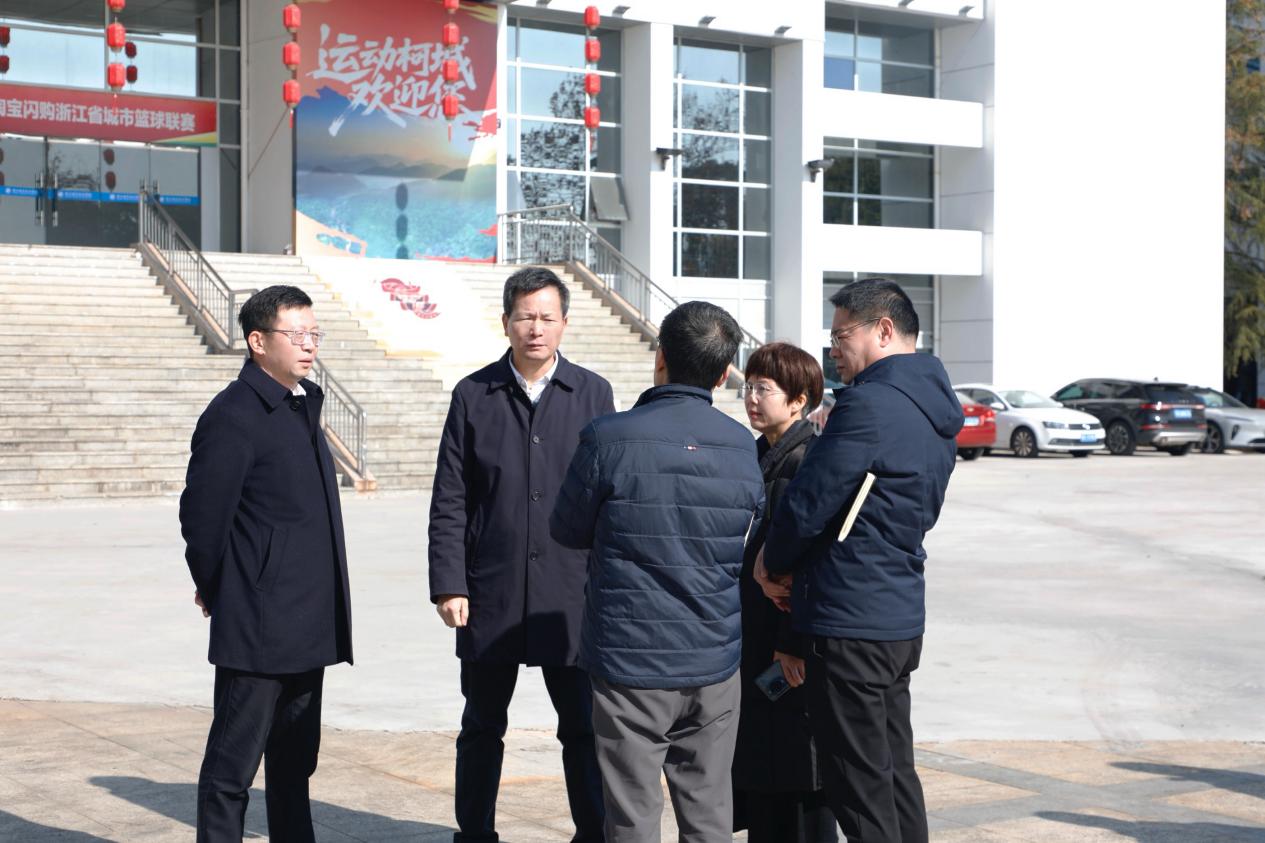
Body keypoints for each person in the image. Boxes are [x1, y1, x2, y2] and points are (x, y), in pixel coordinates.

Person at [550, 300, 765, 843]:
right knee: (710, 812)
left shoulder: (608, 438)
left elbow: (567, 529)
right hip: (713, 657)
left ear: (660, 356)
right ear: (723, 373)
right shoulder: (743, 445)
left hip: (629, 658)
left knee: (631, 815)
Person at [758, 278, 963, 843]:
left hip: (849, 617)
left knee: (858, 784)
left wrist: (772, 561)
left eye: (841, 335)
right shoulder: (936, 408)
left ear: (884, 330)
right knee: (894, 775)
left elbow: (811, 500)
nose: (833, 349)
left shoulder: (870, 403)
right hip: (897, 613)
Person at [428, 266, 615, 843]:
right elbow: (451, 496)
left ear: (565, 323)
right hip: (493, 589)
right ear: (506, 322)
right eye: (525, 317)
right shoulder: (473, 394)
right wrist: (449, 583)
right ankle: (474, 834)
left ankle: (593, 834)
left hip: (571, 593)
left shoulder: (593, 393)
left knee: (583, 728)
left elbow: (608, 495)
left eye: (547, 318)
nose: (536, 328)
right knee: (482, 726)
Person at [179, 285, 353, 842]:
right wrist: (221, 587)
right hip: (257, 625)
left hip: (308, 622)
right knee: (231, 768)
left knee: (294, 764)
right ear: (257, 341)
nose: (309, 345)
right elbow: (203, 518)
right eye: (295, 334)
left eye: (314, 333)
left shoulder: (302, 404)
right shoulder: (234, 415)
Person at [731, 342, 837, 843]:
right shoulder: (760, 455)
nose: (752, 398)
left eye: (765, 389)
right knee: (765, 766)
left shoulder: (805, 462)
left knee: (796, 770)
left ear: (799, 401)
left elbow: (812, 562)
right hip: (756, 639)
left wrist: (792, 642)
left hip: (787, 648)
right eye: (749, 386)